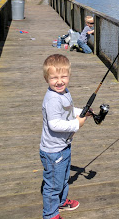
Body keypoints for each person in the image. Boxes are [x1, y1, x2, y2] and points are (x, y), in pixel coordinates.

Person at [40, 54, 90, 219]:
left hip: (64, 146)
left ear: (69, 76)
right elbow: (54, 124)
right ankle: (50, 214)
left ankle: (61, 202)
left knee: (62, 179)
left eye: (63, 76)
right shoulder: (53, 99)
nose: (59, 81)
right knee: (53, 185)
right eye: (54, 78)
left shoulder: (64, 92)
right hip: (53, 151)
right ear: (46, 78)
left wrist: (82, 112)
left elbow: (67, 111)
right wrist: (77, 124)